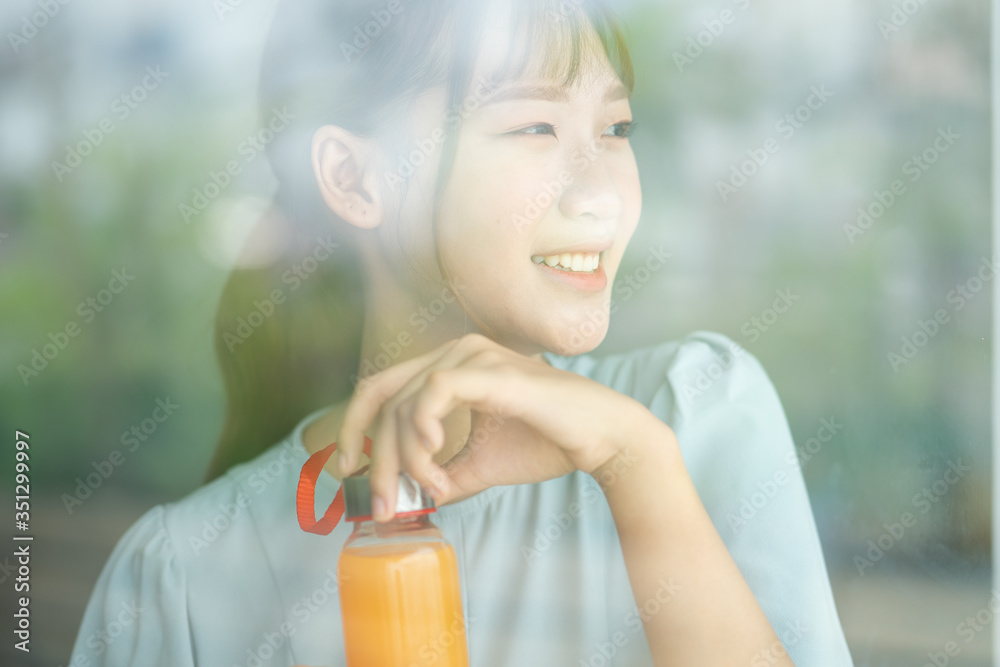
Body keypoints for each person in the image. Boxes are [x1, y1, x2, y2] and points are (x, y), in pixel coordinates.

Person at [70, 0, 855, 665]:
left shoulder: (693, 418)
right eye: (535, 128)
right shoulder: (181, 575)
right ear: (353, 178)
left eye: (617, 128)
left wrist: (634, 463)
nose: (603, 197)